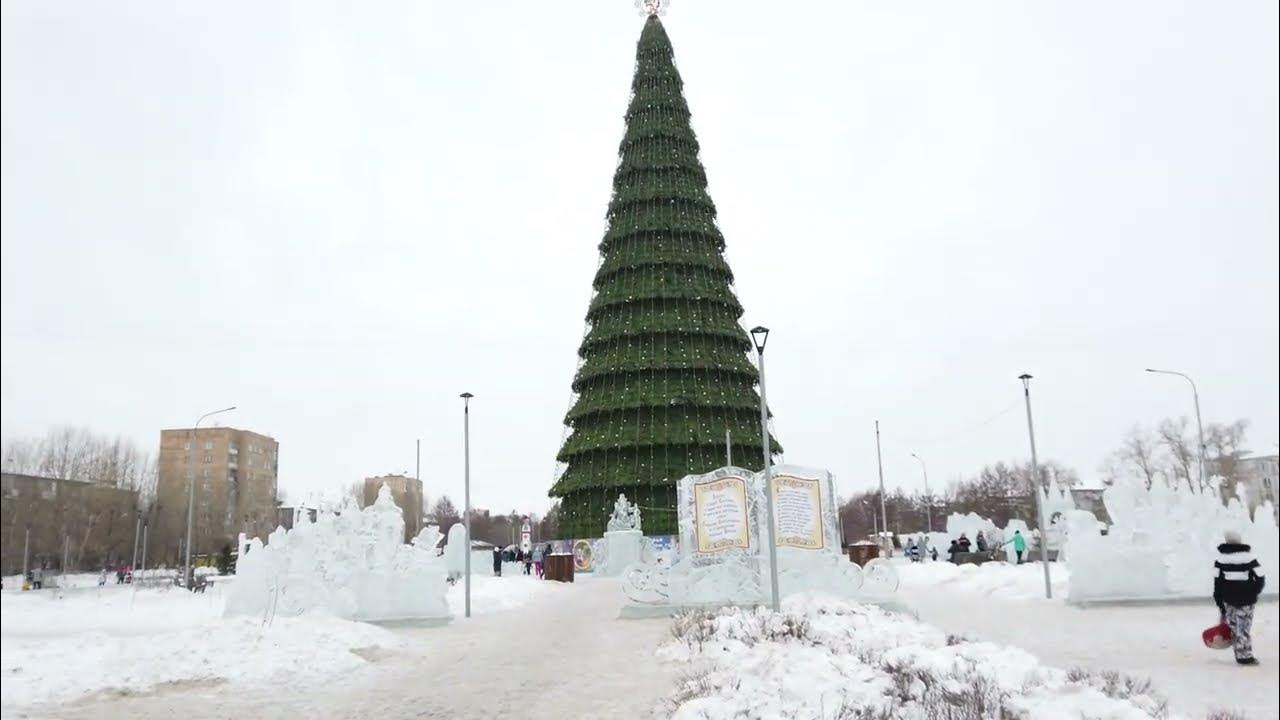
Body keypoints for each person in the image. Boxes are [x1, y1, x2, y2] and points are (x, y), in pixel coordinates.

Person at [1214, 529, 1266, 666]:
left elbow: (1217, 582)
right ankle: (1245, 656)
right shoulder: (1249, 558)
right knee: (1244, 627)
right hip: (1247, 599)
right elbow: (1260, 577)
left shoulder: (1220, 559)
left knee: (1235, 626)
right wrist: (1255, 591)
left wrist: (1219, 601)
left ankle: (1240, 653)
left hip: (1228, 598)